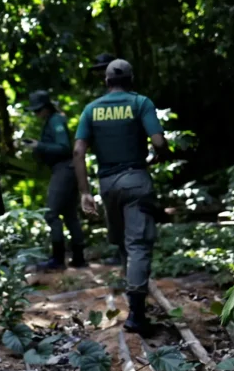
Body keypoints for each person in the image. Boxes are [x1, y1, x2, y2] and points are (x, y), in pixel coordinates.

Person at [73, 59, 169, 335]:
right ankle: (136, 314)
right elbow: (159, 142)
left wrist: (84, 193)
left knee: (123, 243)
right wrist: (159, 156)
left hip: (108, 184)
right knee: (138, 243)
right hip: (136, 179)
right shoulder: (141, 103)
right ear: (131, 79)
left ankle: (134, 299)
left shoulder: (91, 109)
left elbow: (78, 152)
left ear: (106, 81)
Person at [22, 90, 86, 270]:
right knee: (70, 214)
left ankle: (58, 259)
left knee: (51, 213)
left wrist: (39, 145)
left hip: (64, 169)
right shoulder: (51, 121)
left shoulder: (56, 120)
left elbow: (64, 147)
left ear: (46, 108)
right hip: (65, 169)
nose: (36, 114)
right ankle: (78, 258)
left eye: (38, 110)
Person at [88, 53, 126, 267]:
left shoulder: (128, 97)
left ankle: (127, 256)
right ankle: (122, 253)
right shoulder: (98, 103)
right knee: (115, 217)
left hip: (125, 164)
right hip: (108, 166)